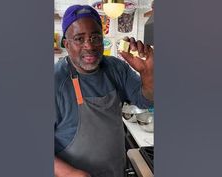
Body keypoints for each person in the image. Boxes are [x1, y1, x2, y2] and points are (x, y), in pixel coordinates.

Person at [54, 4, 154, 177]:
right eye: (79, 38)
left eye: (95, 37)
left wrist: (148, 74)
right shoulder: (55, 81)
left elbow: (145, 101)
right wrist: (70, 173)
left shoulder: (116, 68)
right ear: (66, 43)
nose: (89, 46)